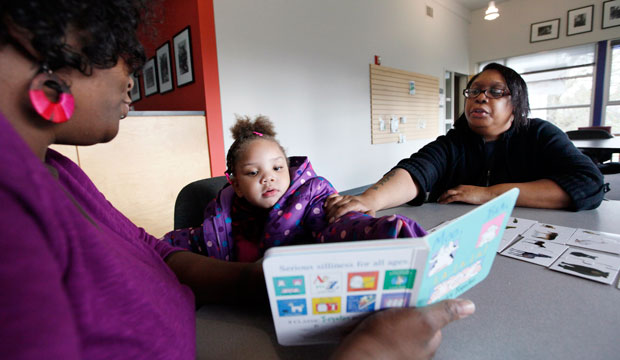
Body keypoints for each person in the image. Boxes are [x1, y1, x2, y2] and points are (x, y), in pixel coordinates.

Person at [0, 1, 473, 359]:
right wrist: (370, 353)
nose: (133, 73)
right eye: (111, 42)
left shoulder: (55, 168)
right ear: (34, 34)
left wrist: (269, 286)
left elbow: (159, 253)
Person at [325, 63, 605, 222]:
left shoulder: (540, 134)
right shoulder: (454, 142)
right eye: (474, 91)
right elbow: (417, 170)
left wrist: (488, 194)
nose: (480, 98)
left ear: (517, 105)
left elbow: (588, 184)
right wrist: (367, 199)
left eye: (495, 92)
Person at [163, 115, 426, 262]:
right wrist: (154, 247)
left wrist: (385, 231)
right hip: (241, 308)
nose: (269, 178)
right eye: (254, 173)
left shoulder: (309, 201)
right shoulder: (221, 219)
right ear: (236, 185)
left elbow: (339, 226)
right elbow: (191, 240)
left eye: (277, 168)